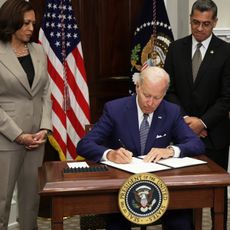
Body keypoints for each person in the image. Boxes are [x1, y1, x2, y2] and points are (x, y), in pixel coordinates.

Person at [77, 66, 205, 230]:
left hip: (161, 187)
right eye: (147, 95)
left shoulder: (171, 111)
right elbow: (84, 145)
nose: (150, 103)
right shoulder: (115, 109)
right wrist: (109, 154)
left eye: (157, 98)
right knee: (117, 225)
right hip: (120, 189)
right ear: (138, 87)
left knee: (181, 223)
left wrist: (171, 151)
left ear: (164, 94)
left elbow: (196, 144)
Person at [164, 0, 230, 229]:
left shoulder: (226, 52)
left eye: (206, 24)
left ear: (215, 23)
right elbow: (169, 91)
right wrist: (186, 123)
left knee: (216, 195)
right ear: (190, 19)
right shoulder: (175, 48)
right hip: (181, 134)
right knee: (182, 193)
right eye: (195, 22)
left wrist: (202, 122)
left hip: (215, 136)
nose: (200, 29)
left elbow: (227, 98)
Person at [0, 0, 52, 229]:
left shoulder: (38, 50)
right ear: (11, 23)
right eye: (26, 23)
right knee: (1, 202)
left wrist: (45, 127)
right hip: (6, 137)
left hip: (36, 138)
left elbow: (45, 92)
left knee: (31, 201)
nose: (32, 27)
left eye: (33, 22)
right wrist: (18, 134)